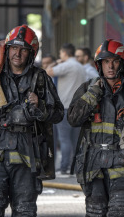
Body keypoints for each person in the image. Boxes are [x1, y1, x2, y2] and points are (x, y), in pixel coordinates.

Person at [0, 24, 64, 216]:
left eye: (23, 50)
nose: (17, 54)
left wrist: (40, 106)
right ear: (7, 49)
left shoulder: (40, 78)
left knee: (25, 210)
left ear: (31, 53)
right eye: (13, 48)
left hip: (27, 155)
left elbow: (59, 114)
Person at [67, 39, 124, 216]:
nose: (110, 66)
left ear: (123, 63)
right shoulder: (88, 88)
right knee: (95, 212)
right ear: (99, 64)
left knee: (119, 211)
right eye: (105, 62)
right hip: (94, 167)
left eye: (115, 61)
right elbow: (73, 119)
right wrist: (93, 95)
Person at [46, 43, 86, 175]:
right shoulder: (80, 66)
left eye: (60, 54)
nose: (59, 56)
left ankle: (64, 168)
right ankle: (75, 168)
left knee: (64, 139)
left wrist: (55, 62)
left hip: (65, 107)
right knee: (75, 140)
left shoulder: (67, 65)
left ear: (64, 53)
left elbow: (48, 72)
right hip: (78, 108)